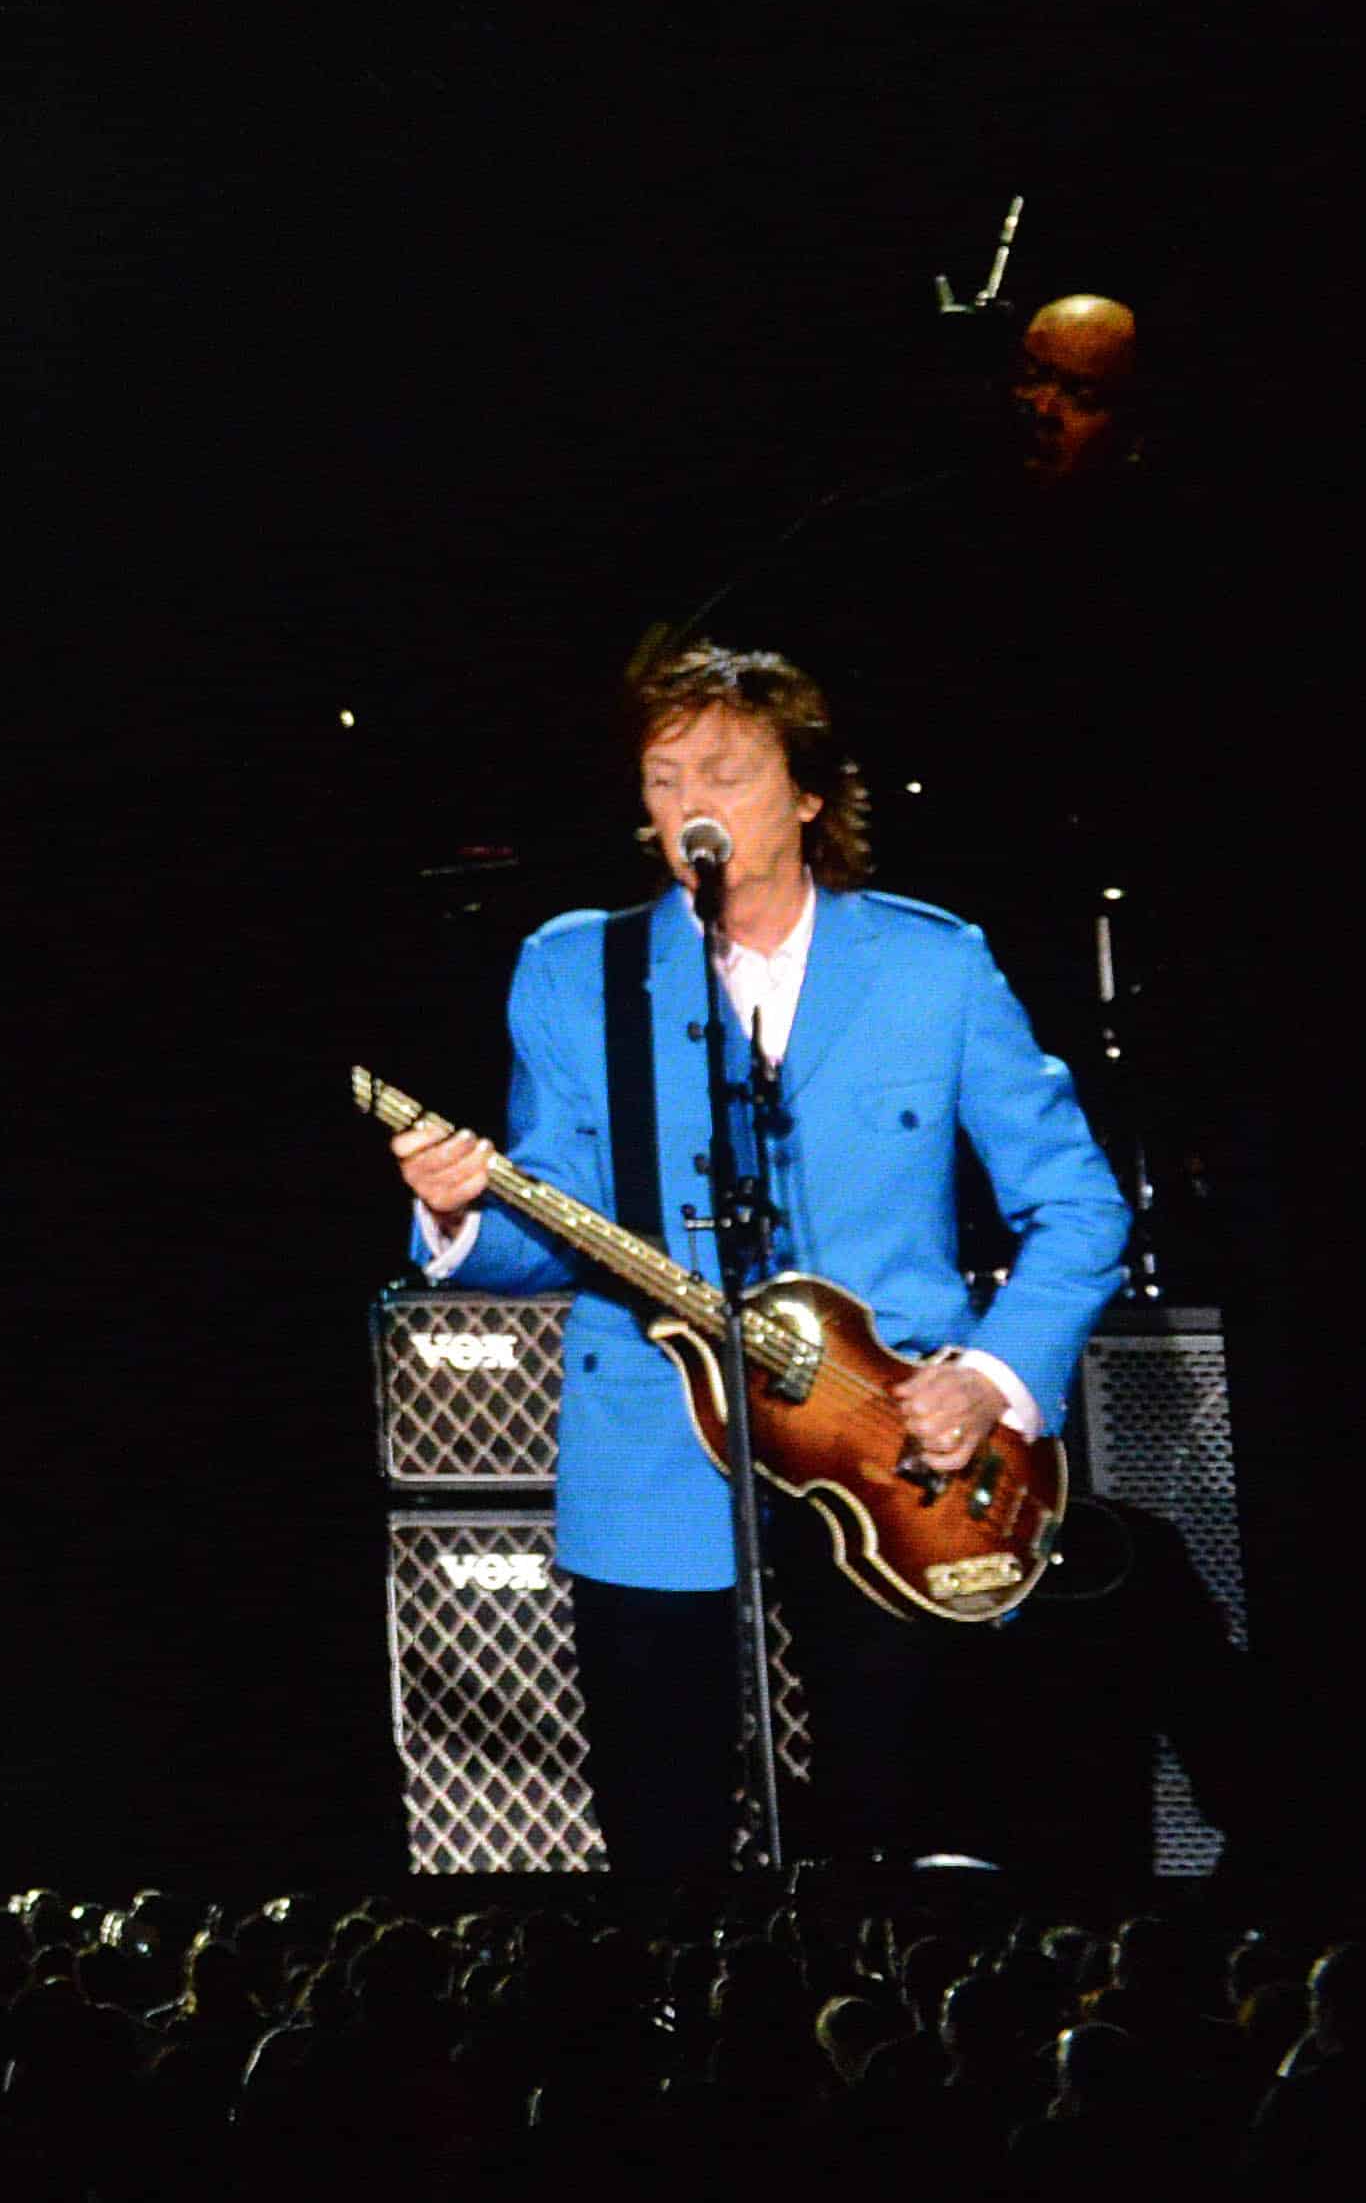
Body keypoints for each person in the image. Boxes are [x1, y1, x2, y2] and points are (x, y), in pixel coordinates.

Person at [384, 645, 1120, 1874]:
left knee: (898, 1819)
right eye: (662, 778)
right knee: (661, 1828)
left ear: (811, 793)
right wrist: (460, 1217)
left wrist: (988, 1378)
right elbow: (549, 1226)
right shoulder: (576, 968)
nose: (688, 807)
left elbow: (1078, 1205)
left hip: (897, 1444)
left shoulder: (932, 964)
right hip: (652, 1444)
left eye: (722, 772)